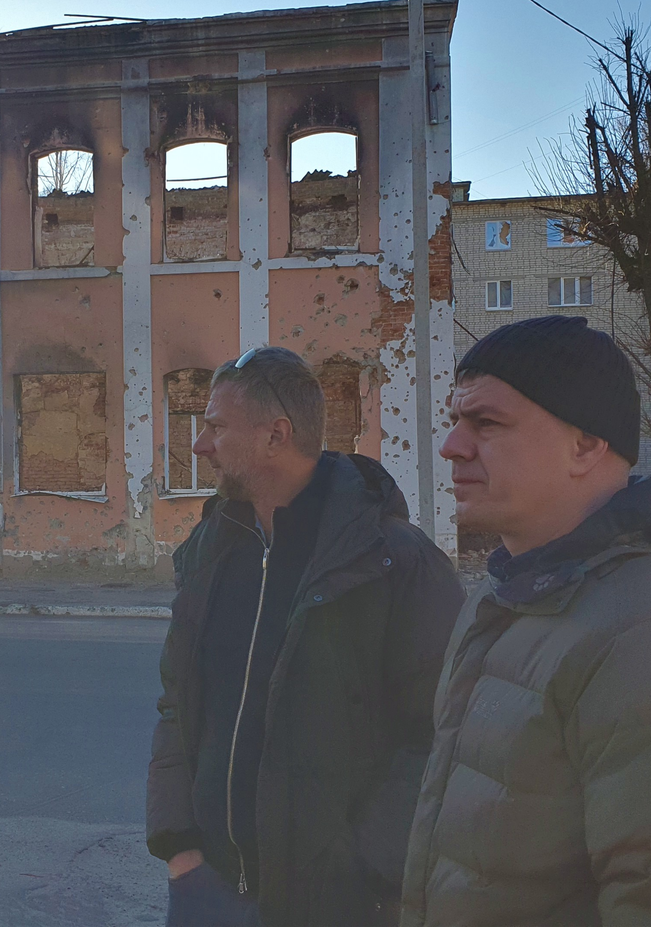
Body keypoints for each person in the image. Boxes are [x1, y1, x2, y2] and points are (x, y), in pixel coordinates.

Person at [401, 316, 651, 927]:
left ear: (586, 444)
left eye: (486, 423)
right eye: (456, 422)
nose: (453, 446)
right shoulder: (506, 597)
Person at [147, 346, 464, 927]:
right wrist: (180, 848)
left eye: (216, 427)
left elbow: (441, 735)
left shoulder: (394, 562)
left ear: (276, 436)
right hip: (206, 892)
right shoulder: (211, 550)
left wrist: (365, 872)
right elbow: (178, 702)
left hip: (336, 903)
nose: (199, 446)